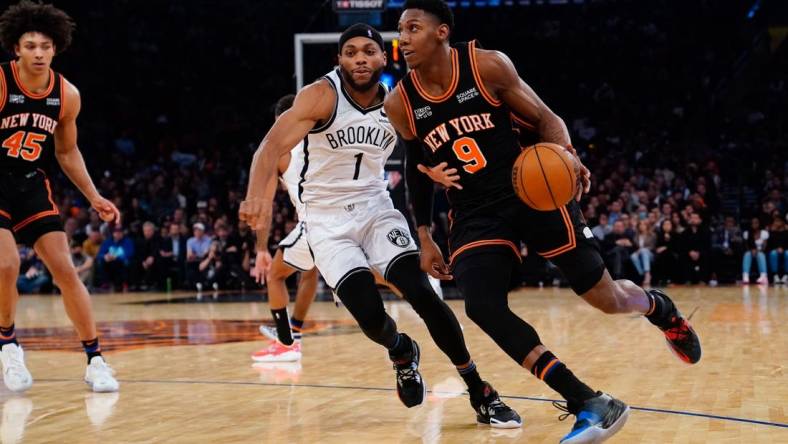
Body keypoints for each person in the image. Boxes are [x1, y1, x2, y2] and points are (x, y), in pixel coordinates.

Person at [385, 1, 701, 441]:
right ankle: (588, 401)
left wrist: (566, 158)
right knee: (481, 305)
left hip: (532, 191)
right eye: (400, 30)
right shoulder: (400, 101)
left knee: (607, 298)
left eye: (413, 28)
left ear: (441, 33)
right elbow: (415, 164)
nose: (403, 38)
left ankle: (658, 308)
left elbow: (547, 119)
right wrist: (424, 235)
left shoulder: (487, 66)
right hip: (476, 212)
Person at [240, 24, 521, 427]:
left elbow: (419, 156)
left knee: (423, 295)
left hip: (376, 209)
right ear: (339, 59)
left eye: (368, 51)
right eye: (351, 52)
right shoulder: (320, 95)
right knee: (371, 317)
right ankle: (401, 350)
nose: (359, 59)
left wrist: (432, 177)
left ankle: (480, 389)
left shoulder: (398, 103)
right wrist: (256, 195)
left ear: (382, 58)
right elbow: (270, 145)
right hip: (326, 221)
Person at [0, 0, 118, 393]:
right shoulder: (0, 83)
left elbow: (66, 152)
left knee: (66, 270)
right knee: (6, 265)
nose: (38, 52)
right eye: (30, 45)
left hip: (30, 182)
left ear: (56, 48)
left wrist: (93, 196)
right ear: (16, 48)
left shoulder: (67, 95)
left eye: (45, 46)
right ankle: (8, 345)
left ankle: (95, 359)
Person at [248, 94, 320, 363]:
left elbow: (263, 206)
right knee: (312, 270)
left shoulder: (280, 151)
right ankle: (295, 333)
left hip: (317, 219)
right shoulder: (322, 136)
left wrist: (260, 248)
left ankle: (286, 343)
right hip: (348, 214)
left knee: (275, 275)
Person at [742, 217, 768, 285]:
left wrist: (757, 250)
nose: (754, 224)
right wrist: (752, 250)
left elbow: (764, 247)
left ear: (759, 223)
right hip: (750, 251)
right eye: (752, 223)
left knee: (760, 254)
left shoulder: (764, 233)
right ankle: (745, 276)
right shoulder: (747, 233)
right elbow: (746, 246)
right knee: (747, 254)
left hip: (760, 252)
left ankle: (763, 276)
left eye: (756, 222)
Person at [630, 220, 656, 286]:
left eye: (644, 225)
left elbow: (652, 247)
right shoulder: (636, 236)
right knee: (633, 256)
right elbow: (635, 248)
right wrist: (639, 251)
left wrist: (641, 250)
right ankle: (642, 274)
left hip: (650, 255)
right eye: (640, 225)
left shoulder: (652, 235)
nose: (642, 226)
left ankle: (647, 274)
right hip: (640, 255)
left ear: (647, 226)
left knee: (644, 251)